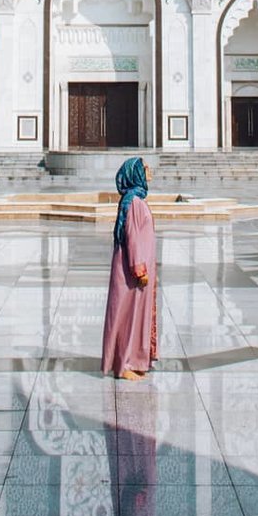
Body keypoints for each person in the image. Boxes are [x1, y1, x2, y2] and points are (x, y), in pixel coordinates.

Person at [101, 156, 158, 380]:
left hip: (137, 268)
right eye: (145, 168)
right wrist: (139, 269)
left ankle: (135, 359)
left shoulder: (135, 200)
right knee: (127, 316)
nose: (149, 170)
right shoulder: (134, 202)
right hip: (133, 271)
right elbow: (133, 238)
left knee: (135, 316)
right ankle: (123, 364)